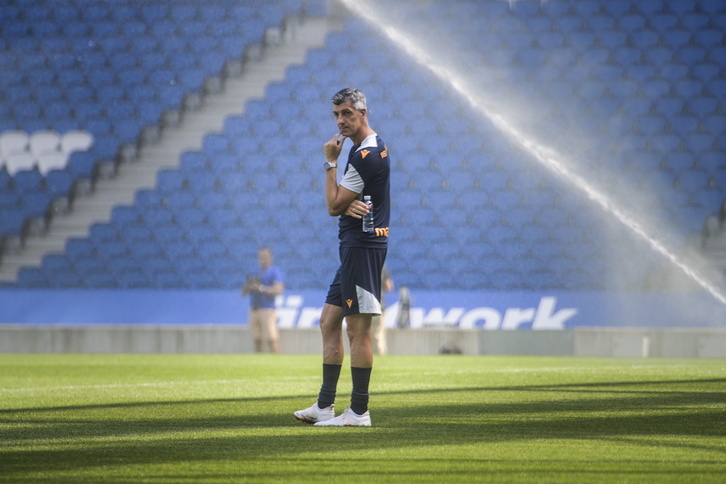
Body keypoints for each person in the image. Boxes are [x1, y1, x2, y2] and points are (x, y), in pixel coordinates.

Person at [294, 87, 390, 427]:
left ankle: (359, 412)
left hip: (363, 248)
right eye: (336, 115)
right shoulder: (365, 150)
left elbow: (333, 205)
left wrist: (330, 163)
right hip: (353, 248)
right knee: (329, 322)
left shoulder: (366, 155)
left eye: (347, 113)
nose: (341, 121)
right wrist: (344, 202)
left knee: (358, 333)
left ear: (363, 113)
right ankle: (324, 406)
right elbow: (341, 204)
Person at [241, 247, 284, 354]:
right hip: (254, 308)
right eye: (261, 257)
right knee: (257, 339)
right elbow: (243, 292)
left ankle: (277, 362)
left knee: (271, 339)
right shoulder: (254, 272)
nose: (263, 260)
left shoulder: (275, 272)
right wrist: (249, 286)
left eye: (265, 257)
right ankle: (259, 363)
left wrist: (261, 288)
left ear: (271, 258)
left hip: (267, 309)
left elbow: (278, 289)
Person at [371, 266, 394, 355]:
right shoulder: (381, 265)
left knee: (364, 335)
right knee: (378, 334)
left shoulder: (360, 263)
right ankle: (379, 356)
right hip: (378, 304)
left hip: (363, 305)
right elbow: (389, 287)